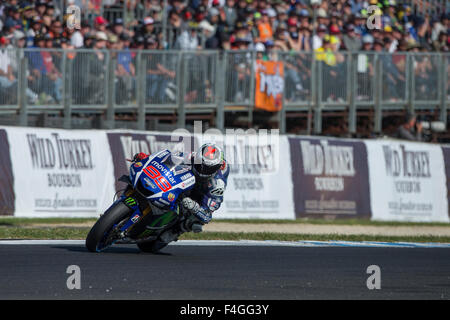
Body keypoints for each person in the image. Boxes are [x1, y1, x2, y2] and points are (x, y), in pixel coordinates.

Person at [131, 143, 229, 248]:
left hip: (199, 193)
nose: (201, 168)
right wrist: (147, 158)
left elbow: (207, 216)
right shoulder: (191, 157)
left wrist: (194, 207)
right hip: (187, 181)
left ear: (216, 168)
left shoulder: (217, 184)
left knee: (193, 221)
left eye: (206, 168)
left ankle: (174, 232)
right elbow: (166, 159)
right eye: (199, 163)